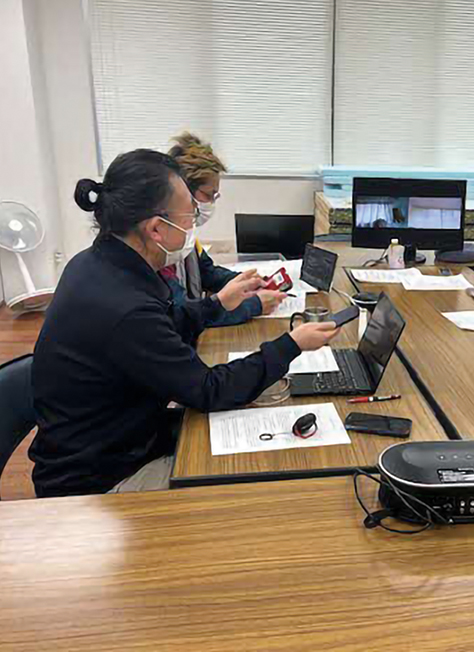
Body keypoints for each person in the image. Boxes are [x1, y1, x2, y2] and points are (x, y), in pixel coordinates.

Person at [30, 149, 340, 497]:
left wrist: (216, 304)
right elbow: (208, 390)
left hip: (121, 436)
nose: (193, 225)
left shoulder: (96, 264)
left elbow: (164, 324)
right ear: (156, 228)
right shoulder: (126, 307)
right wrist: (292, 344)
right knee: (255, 476)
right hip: (99, 482)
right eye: (190, 215)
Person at [163, 132, 283, 327]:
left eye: (215, 196)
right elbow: (183, 315)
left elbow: (208, 273)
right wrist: (255, 305)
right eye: (208, 195)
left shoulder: (187, 238)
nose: (211, 203)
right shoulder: (160, 250)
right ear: (183, 191)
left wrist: (245, 283)